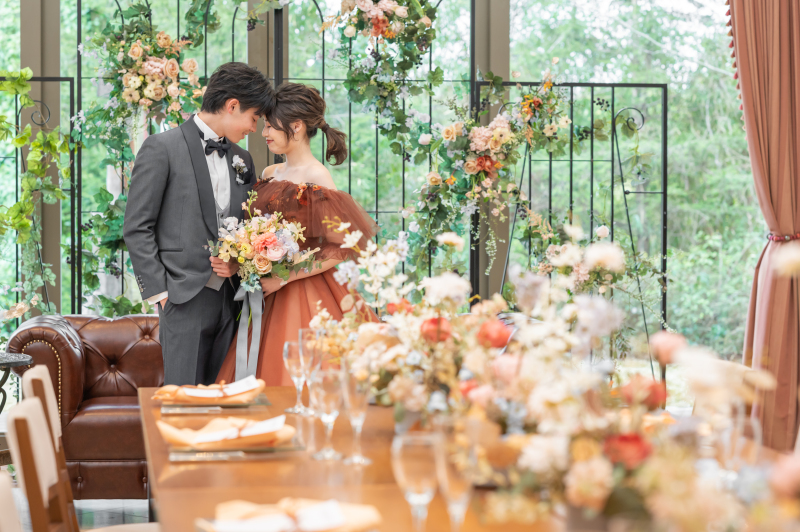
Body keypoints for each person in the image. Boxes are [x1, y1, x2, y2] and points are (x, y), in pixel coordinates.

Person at [215, 82, 378, 386]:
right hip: (264, 291)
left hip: (305, 289)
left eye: (270, 126)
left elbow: (340, 249)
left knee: (300, 372)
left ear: (297, 126)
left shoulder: (317, 176)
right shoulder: (269, 174)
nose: (264, 133)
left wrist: (284, 277)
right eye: (263, 125)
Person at [124, 62, 272, 385]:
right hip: (182, 299)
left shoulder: (243, 160)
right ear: (232, 105)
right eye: (254, 117)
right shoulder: (162, 148)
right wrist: (162, 294)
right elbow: (137, 226)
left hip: (232, 301)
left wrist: (237, 263)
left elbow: (246, 226)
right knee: (184, 403)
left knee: (227, 401)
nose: (254, 127)